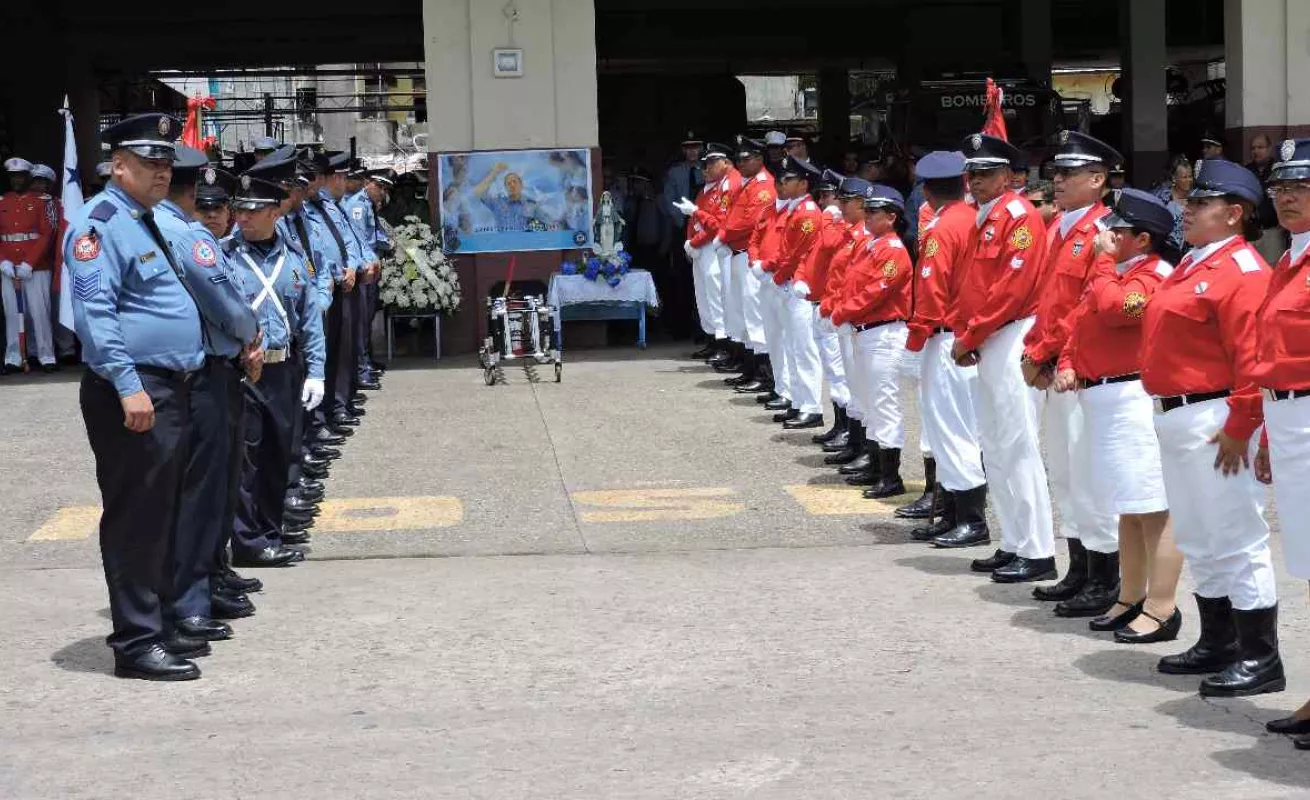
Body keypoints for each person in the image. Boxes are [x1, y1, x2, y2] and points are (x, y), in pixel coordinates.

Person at [66, 113, 207, 680]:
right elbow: (95, 315)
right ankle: (136, 642)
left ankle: (159, 621)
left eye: (166, 164)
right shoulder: (99, 224)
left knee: (163, 513)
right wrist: (128, 386)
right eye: (150, 163)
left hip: (168, 386)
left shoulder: (141, 219)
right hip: (134, 390)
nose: (162, 173)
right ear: (117, 166)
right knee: (136, 519)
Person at [1140, 158, 1281, 698]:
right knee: (1200, 535)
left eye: (1201, 203)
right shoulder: (1195, 262)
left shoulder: (1242, 272)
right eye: (1190, 200)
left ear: (1235, 214)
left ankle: (1259, 656)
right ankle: (1218, 640)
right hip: (1179, 414)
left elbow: (1252, 359)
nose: (1188, 208)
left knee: (1236, 537)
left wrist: (1242, 426)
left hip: (1215, 416)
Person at [1051, 188, 1182, 642]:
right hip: (1101, 398)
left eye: (1118, 231)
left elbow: (1114, 312)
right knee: (1127, 507)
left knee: (1151, 507)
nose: (1106, 236)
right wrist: (1068, 361)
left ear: (1142, 239)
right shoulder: (1119, 271)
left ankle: (1162, 606)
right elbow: (1081, 321)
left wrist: (1103, 263)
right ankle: (1130, 596)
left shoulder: (1154, 274)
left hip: (1131, 398)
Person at [154, 146, 265, 636]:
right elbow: (225, 302)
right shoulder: (184, 233)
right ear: (193, 188)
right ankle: (191, 596)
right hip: (204, 371)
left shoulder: (162, 227)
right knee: (201, 491)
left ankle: (207, 580)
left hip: (211, 367)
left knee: (216, 484)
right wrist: (250, 334)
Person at [1021, 131, 1121, 614]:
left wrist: (1053, 356)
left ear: (1097, 179)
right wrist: (1035, 350)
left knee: (1089, 475)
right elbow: (1048, 302)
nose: (1056, 181)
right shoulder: (1060, 227)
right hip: (1055, 366)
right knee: (1063, 471)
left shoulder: (1106, 232)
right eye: (1055, 173)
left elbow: (1087, 309)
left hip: (1077, 370)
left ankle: (1106, 577)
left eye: (1068, 174)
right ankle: (1079, 567)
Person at [951, 132, 1055, 582]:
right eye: (972, 172)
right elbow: (973, 286)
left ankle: (1037, 549)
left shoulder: (1019, 216)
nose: (976, 180)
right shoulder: (986, 217)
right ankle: (1013, 540)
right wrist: (969, 332)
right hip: (991, 337)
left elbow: (1010, 291)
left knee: (1018, 445)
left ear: (1010, 177)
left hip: (1011, 333)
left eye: (987, 173)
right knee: (994, 444)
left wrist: (970, 334)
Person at [229, 153, 327, 569]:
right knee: (246, 461)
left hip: (284, 367)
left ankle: (271, 532)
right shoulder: (223, 255)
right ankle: (248, 540)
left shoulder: (293, 259)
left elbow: (310, 320)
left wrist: (317, 371)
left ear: (274, 211)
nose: (244, 220)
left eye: (253, 212)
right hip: (243, 372)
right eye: (240, 212)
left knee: (276, 455)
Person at [1254, 137, 1310, 747]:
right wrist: (1269, 430)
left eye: (1300, 187)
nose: (1287, 197)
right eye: (1281, 188)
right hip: (1291, 417)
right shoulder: (1290, 257)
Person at [901, 151, 988, 547]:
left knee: (952, 431)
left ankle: (970, 519)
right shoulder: (973, 219)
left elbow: (932, 290)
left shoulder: (942, 228)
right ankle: (952, 513)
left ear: (926, 190)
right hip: (965, 335)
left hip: (945, 336)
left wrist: (915, 340)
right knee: (959, 428)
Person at [831, 183, 913, 495]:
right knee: (870, 402)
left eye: (874, 211)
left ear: (892, 216)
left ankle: (891, 477)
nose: (867, 216)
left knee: (884, 404)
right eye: (866, 210)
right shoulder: (872, 245)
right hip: (865, 331)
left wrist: (842, 312)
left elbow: (877, 290)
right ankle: (877, 466)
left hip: (884, 332)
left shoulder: (892, 250)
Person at [303, 150, 366, 436]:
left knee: (343, 349)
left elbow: (348, 242)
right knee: (323, 355)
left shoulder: (330, 207)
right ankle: (322, 416)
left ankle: (338, 405)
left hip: (343, 284)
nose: (313, 185)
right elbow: (316, 252)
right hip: (323, 290)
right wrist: (330, 275)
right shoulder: (305, 212)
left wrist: (352, 266)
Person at [816, 178, 874, 470]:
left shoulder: (864, 236)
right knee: (848, 380)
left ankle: (865, 447)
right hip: (840, 314)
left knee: (860, 387)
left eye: (846, 201)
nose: (839, 205)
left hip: (853, 318)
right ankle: (855, 440)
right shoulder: (852, 233)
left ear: (863, 203)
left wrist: (838, 308)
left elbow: (857, 282)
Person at [794, 168, 852, 444]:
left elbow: (829, 243)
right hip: (820, 301)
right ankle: (840, 424)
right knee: (831, 369)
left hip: (834, 305)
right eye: (823, 195)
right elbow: (811, 254)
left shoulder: (838, 224)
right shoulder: (830, 221)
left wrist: (830, 216)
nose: (825, 200)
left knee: (840, 372)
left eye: (831, 195)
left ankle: (850, 432)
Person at [767, 156, 825, 430]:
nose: (781, 183)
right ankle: (799, 401)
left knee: (804, 348)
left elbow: (798, 254)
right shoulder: (793, 210)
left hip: (800, 286)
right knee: (792, 346)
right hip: (789, 282)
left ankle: (812, 406)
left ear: (803, 184)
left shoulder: (807, 213)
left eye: (788, 180)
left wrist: (778, 275)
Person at [672, 143, 739, 366]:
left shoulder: (728, 186)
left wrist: (695, 241)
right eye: (705, 164)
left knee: (716, 294)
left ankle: (723, 342)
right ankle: (711, 338)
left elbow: (717, 224)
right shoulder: (707, 189)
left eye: (711, 163)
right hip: (702, 247)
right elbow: (696, 220)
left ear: (726, 163)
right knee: (704, 296)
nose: (706, 169)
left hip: (714, 246)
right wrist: (690, 241)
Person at [719, 138, 777, 393]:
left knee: (754, 315)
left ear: (759, 159)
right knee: (742, 313)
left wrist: (723, 233)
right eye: (739, 159)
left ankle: (764, 374)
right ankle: (750, 367)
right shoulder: (747, 184)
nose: (741, 164)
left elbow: (750, 222)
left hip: (748, 254)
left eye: (746, 158)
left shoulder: (763, 186)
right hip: (737, 253)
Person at [0, 157, 59, 372]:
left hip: (36, 266)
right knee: (12, 314)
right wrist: (3, 260)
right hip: (7, 266)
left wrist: (28, 263)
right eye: (13, 176)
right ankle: (14, 357)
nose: (16, 180)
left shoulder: (42, 201)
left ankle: (46, 356)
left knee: (40, 312)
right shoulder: (2, 201)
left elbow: (46, 235)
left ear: (28, 178)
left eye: (20, 176)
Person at [344, 168, 393, 391]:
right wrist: (373, 257)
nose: (382, 192)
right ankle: (361, 369)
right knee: (361, 321)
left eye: (385, 189)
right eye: (379, 187)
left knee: (367, 317)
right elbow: (358, 240)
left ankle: (366, 362)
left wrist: (388, 243)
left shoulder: (369, 206)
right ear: (368, 183)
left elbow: (373, 235)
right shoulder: (357, 205)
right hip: (364, 269)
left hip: (371, 266)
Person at [661, 132, 704, 343]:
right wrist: (684, 222)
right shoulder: (675, 172)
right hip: (682, 229)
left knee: (704, 280)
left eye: (696, 147)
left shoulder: (708, 170)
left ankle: (704, 330)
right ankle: (684, 326)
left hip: (706, 229)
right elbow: (669, 201)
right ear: (683, 150)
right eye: (688, 148)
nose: (692, 152)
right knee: (683, 279)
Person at [1248, 133, 1287, 265]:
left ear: (1269, 149)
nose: (1256, 151)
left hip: (1273, 232)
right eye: (1253, 148)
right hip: (1251, 232)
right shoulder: (1247, 171)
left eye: (1260, 147)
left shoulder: (1278, 170)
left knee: (1273, 272)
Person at [1163, 156, 1194, 254]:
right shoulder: (1163, 199)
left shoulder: (1195, 199)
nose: (1189, 180)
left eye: (1190, 176)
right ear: (1174, 178)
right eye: (1185, 177)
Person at [195, 166, 234, 239]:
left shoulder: (239, 249)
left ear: (228, 215)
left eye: (218, 208)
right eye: (203, 208)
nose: (212, 215)